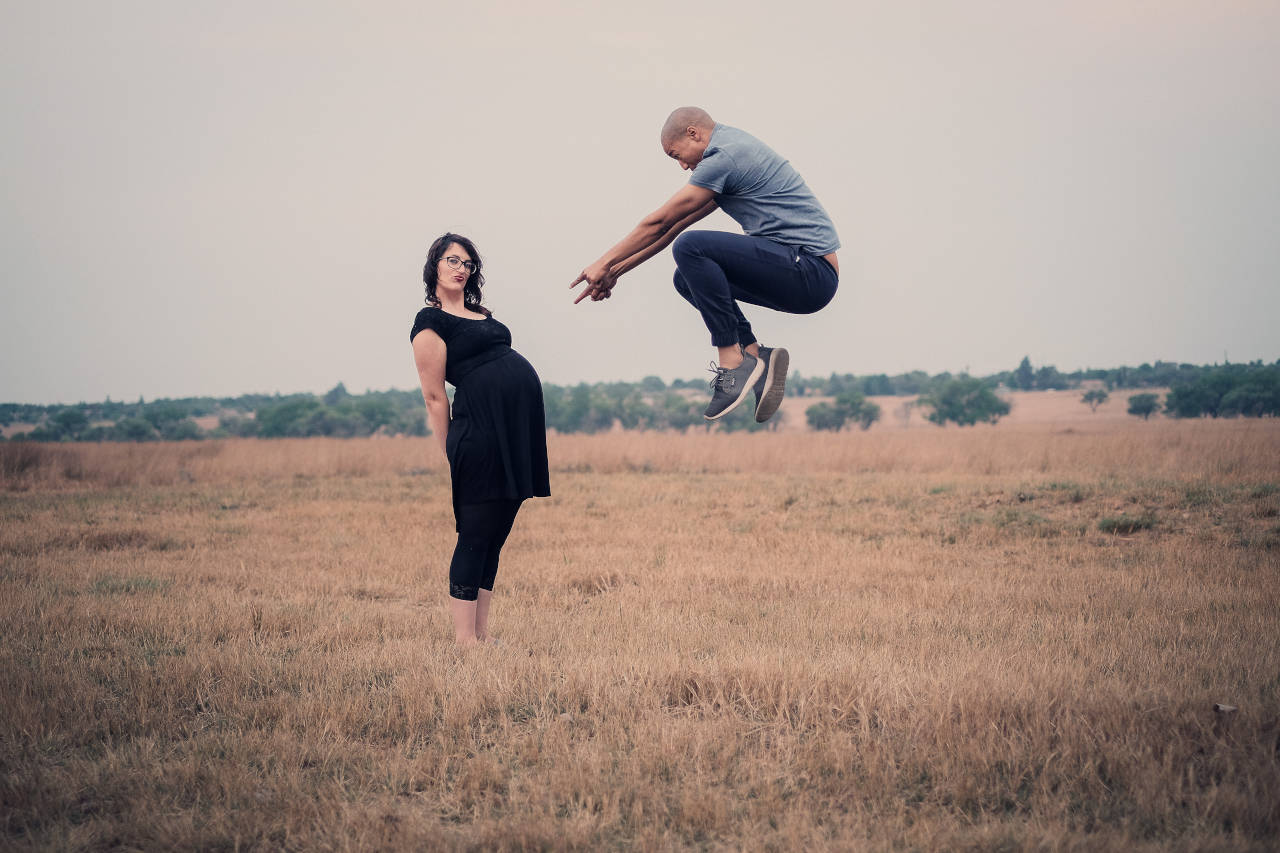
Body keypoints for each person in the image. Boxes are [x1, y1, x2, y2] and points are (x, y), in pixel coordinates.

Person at [571, 106, 841, 423]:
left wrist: (603, 261)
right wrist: (615, 271)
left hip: (809, 269)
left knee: (692, 247)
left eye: (677, 156)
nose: (684, 166)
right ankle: (754, 354)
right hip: (804, 273)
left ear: (693, 133)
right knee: (686, 277)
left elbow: (660, 222)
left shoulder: (725, 156)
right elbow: (673, 228)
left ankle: (732, 360)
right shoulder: (729, 153)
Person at [411, 233, 550, 645]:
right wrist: (451, 451)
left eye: (468, 263)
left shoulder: (481, 314)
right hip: (478, 437)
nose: (461, 268)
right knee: (474, 535)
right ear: (434, 265)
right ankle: (464, 641)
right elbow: (435, 397)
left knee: (495, 538)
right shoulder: (429, 323)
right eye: (452, 260)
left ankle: (482, 636)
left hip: (513, 434)